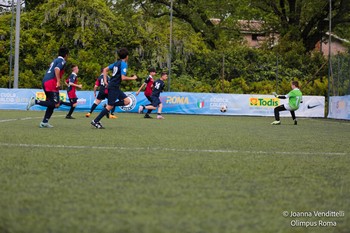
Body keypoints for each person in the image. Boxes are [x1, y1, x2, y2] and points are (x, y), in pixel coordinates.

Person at [91, 48, 137, 129]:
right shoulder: (123, 64)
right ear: (126, 56)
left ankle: (108, 106)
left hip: (114, 86)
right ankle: (96, 121)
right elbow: (123, 77)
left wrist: (105, 81)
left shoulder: (116, 63)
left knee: (127, 101)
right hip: (113, 87)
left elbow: (105, 69)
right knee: (110, 106)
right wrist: (133, 78)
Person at [26, 47, 69, 128]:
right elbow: (57, 69)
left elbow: (51, 67)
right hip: (51, 82)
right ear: (66, 55)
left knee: (51, 103)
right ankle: (35, 101)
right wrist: (58, 81)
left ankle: (44, 122)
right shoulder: (62, 61)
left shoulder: (55, 60)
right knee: (56, 104)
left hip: (46, 80)